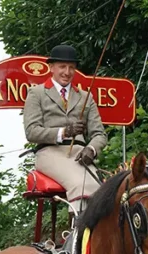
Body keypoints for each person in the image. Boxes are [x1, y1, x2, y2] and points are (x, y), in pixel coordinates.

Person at [22, 43, 108, 215]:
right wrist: (65, 132)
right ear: (51, 67)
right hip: (49, 152)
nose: (67, 72)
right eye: (62, 66)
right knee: (80, 184)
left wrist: (91, 149)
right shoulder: (36, 93)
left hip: (80, 155)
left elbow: (99, 134)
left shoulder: (86, 97)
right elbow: (31, 132)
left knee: (104, 190)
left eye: (71, 68)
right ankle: (77, 234)